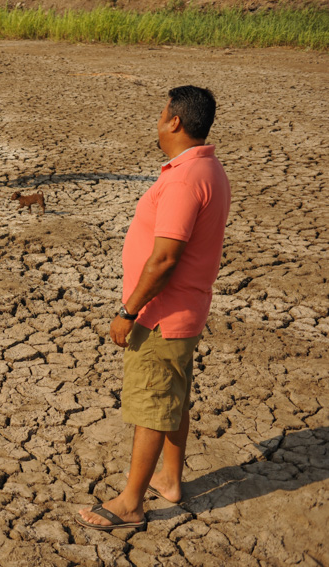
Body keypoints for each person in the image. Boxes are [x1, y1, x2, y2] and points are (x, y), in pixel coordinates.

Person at [75, 86, 231, 531]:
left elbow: (164, 259)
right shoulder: (209, 168)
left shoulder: (184, 179)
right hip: (187, 310)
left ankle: (130, 504)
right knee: (173, 398)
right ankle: (170, 479)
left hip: (162, 316)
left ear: (175, 121)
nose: (158, 120)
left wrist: (128, 312)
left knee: (153, 405)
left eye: (162, 113)